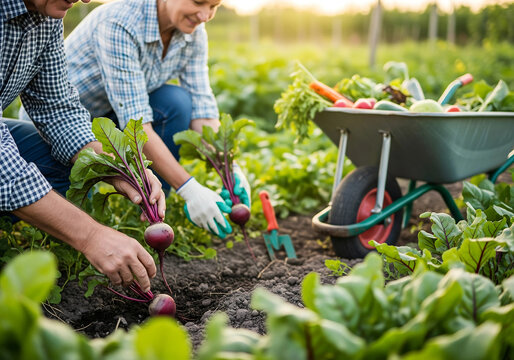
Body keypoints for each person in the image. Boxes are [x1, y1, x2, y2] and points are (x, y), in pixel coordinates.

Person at [0, 0, 167, 293]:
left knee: (66, 165)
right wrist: (90, 235)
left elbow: (58, 109)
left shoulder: (44, 15)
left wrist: (115, 168)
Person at [62, 0, 251, 238]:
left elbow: (202, 107)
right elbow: (137, 125)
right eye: (199, 2)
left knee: (177, 102)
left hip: (117, 115)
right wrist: (190, 188)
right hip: (68, 125)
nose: (205, 15)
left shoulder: (192, 32)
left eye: (213, 6)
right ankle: (145, 197)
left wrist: (229, 165)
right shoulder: (120, 22)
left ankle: (152, 208)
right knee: (76, 208)